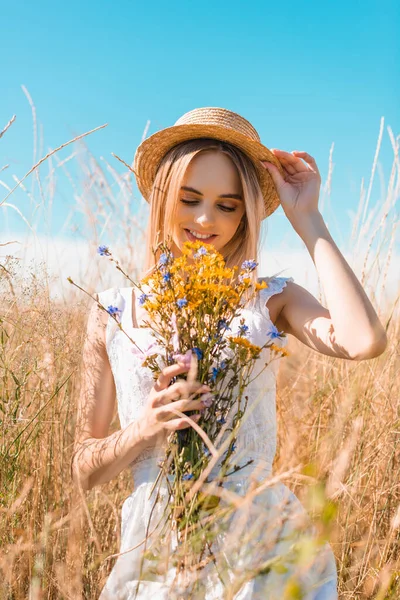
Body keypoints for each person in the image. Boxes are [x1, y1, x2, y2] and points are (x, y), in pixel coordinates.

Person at [72, 107, 387, 599]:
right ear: (161, 198)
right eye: (190, 198)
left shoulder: (270, 298)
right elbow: (85, 470)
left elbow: (364, 341)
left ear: (245, 215)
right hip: (155, 549)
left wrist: (308, 219)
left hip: (257, 542)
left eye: (228, 205)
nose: (205, 220)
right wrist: (146, 427)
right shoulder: (110, 313)